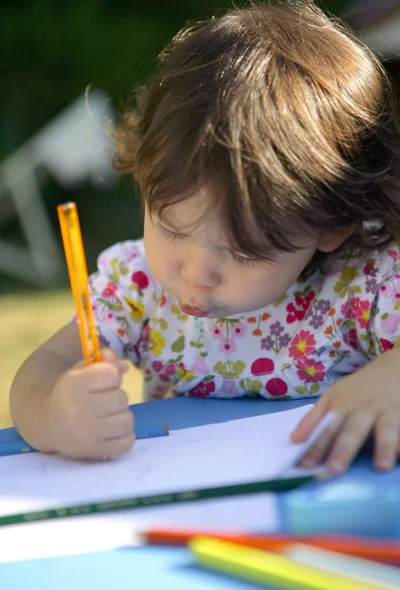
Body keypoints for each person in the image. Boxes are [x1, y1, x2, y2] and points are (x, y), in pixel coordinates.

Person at [10, 0, 400, 473]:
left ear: (332, 225)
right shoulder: (136, 288)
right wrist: (54, 411)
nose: (196, 272)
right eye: (171, 227)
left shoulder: (364, 285)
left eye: (242, 251)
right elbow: (43, 367)